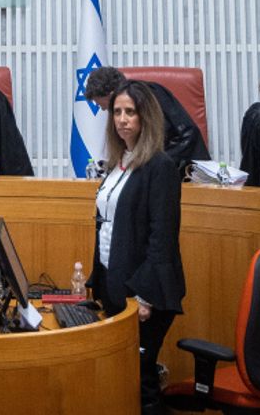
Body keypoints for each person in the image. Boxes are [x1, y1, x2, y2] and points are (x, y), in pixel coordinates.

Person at [87, 80, 184, 415]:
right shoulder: (119, 162)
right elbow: (107, 226)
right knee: (125, 376)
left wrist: (145, 296)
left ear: (146, 117)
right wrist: (94, 281)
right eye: (117, 112)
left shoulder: (160, 167)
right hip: (117, 284)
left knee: (140, 380)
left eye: (131, 112)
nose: (122, 119)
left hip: (145, 292)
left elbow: (163, 237)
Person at [84, 66, 210, 172]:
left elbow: (188, 134)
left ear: (112, 95)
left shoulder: (152, 95)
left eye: (102, 104)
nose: (104, 110)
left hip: (185, 169)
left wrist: (149, 164)